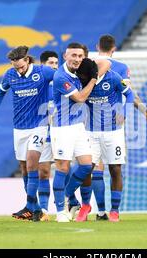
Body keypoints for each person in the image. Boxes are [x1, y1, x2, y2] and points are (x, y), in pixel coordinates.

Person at [82, 34, 147, 221]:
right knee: (114, 168)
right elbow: (130, 95)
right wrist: (145, 112)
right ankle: (113, 211)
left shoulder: (86, 64)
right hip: (114, 123)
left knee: (94, 170)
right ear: (114, 49)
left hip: (88, 123)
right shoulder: (122, 67)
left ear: (96, 46)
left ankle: (100, 212)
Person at [0, 46, 55, 222]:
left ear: (28, 60)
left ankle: (30, 206)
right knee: (24, 167)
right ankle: (35, 208)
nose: (19, 70)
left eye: (21, 66)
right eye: (16, 67)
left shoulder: (43, 72)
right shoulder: (10, 74)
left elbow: (63, 80)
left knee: (32, 164)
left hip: (39, 126)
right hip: (19, 128)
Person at [75, 61, 135, 222]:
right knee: (85, 169)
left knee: (115, 169)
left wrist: (125, 111)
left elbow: (129, 94)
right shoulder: (82, 81)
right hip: (91, 132)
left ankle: (114, 210)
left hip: (113, 132)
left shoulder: (114, 78)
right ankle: (85, 206)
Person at [50, 42, 99, 222]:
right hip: (62, 128)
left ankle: (65, 196)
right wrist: (93, 80)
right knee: (63, 167)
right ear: (65, 56)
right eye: (73, 56)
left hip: (78, 127)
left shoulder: (79, 72)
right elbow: (79, 98)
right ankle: (60, 211)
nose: (77, 59)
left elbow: (104, 64)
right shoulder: (61, 76)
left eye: (80, 56)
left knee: (87, 165)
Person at [35, 50, 59, 219]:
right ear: (42, 65)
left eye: (57, 64)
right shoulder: (37, 85)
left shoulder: (61, 84)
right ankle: (43, 210)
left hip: (61, 132)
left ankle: (66, 204)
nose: (55, 67)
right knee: (43, 171)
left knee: (64, 169)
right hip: (44, 133)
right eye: (51, 63)